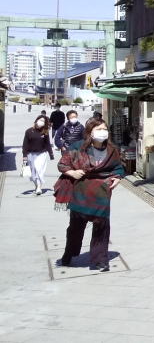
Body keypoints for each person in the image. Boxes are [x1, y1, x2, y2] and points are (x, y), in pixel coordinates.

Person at [54, 119, 124, 271]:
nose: (102, 132)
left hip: (102, 192)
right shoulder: (78, 147)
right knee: (75, 227)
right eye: (98, 129)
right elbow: (62, 164)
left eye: (104, 129)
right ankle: (69, 253)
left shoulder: (112, 150)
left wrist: (118, 177)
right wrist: (72, 172)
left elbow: (118, 167)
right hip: (81, 190)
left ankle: (101, 260)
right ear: (90, 132)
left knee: (102, 227)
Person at [22, 116, 54, 196]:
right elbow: (25, 144)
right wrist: (24, 155)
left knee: (39, 170)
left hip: (42, 154)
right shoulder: (29, 131)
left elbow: (47, 144)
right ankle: (36, 185)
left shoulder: (45, 132)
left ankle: (39, 187)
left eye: (43, 121)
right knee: (33, 173)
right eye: (40, 120)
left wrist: (51, 154)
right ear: (36, 120)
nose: (41, 122)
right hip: (30, 154)